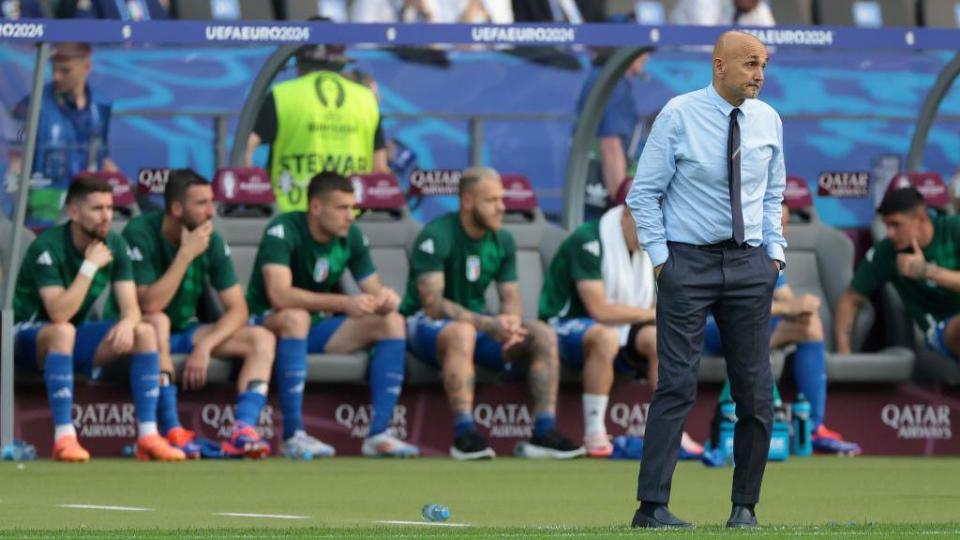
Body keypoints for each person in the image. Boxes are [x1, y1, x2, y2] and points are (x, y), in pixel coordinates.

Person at [626, 31, 786, 528]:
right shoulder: (677, 114)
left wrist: (774, 257)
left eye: (762, 64)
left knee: (756, 392)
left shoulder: (768, 120)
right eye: (749, 64)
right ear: (719, 66)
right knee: (675, 384)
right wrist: (661, 260)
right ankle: (651, 508)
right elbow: (642, 194)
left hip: (749, 266)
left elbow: (773, 192)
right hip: (687, 265)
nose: (759, 74)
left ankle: (745, 509)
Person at [400, 166, 582, 460]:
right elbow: (433, 304)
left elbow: (510, 296)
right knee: (463, 332)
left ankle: (543, 432)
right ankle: (464, 434)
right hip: (425, 325)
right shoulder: (436, 234)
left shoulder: (503, 239)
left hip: (479, 324)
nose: (502, 208)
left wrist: (510, 322)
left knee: (542, 334)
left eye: (502, 200)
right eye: (492, 201)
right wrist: (488, 324)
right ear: (468, 201)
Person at [246, 171, 419, 457]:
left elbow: (373, 289)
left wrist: (386, 299)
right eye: (342, 208)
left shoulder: (351, 236)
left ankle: (378, 434)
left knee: (392, 322)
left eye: (352, 207)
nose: (350, 216)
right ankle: (293, 435)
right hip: (266, 325)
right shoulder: (283, 229)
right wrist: (344, 302)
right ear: (316, 207)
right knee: (295, 316)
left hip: (314, 328)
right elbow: (279, 295)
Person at [13, 176, 185, 462]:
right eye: (97, 209)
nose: (107, 216)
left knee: (144, 332)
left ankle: (148, 435)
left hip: (71, 335)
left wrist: (128, 324)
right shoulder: (47, 246)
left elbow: (131, 307)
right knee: (63, 330)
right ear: (74, 212)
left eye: (109, 207)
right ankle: (64, 437)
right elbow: (58, 312)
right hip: (22, 339)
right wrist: (89, 266)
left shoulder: (114, 244)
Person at [114, 169, 276, 459]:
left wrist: (207, 344)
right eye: (201, 203)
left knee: (261, 338)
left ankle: (243, 432)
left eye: (211, 202)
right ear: (177, 208)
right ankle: (173, 429)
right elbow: (150, 305)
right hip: (138, 333)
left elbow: (239, 308)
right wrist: (185, 254)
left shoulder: (210, 240)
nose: (211, 212)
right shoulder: (140, 232)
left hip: (188, 332)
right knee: (158, 321)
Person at [538, 189, 703, 458]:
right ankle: (594, 433)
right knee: (605, 336)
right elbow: (599, 309)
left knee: (661, 338)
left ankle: (671, 427)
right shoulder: (588, 238)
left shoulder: (654, 245)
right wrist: (656, 314)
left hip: (620, 330)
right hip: (563, 325)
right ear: (627, 213)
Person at [704, 203, 862, 455]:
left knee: (809, 322)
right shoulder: (734, 249)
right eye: (777, 221)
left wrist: (803, 306)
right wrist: (789, 308)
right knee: (793, 321)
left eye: (785, 222)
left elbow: (785, 299)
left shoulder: (770, 254)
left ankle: (812, 428)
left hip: (751, 328)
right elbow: (734, 311)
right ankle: (806, 426)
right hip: (713, 332)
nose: (782, 228)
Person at [244, 34, 388, 213]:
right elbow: (380, 169)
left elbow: (245, 150)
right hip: (350, 216)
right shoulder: (366, 99)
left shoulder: (282, 95)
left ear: (299, 57)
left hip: (290, 217)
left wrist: (254, 197)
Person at [836, 187, 960, 363]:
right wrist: (844, 354)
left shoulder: (954, 228)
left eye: (896, 225)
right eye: (887, 226)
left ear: (921, 219)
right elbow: (850, 299)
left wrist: (927, 272)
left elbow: (929, 272)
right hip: (940, 331)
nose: (890, 233)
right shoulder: (886, 252)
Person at [6, 43, 117, 230]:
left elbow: (102, 157)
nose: (56, 76)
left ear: (86, 67)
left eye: (65, 71)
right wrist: (16, 206)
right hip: (42, 218)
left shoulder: (102, 105)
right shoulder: (31, 106)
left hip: (87, 214)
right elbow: (15, 162)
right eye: (54, 69)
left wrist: (130, 190)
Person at [575, 48, 650, 217]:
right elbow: (611, 148)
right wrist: (623, 208)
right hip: (603, 205)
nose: (646, 56)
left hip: (591, 198)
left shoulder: (600, 78)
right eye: (642, 49)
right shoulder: (612, 83)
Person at [670, 0, 776, 26]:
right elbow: (704, 49)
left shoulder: (758, 7)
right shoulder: (704, 2)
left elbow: (770, 49)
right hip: (677, 65)